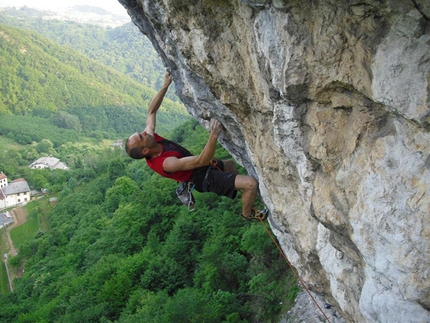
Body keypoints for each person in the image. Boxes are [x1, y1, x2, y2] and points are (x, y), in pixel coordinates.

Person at [125, 72, 268, 221]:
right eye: (142, 136)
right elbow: (201, 161)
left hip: (202, 168)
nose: (145, 132)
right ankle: (247, 214)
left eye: (141, 133)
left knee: (230, 166)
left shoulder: (151, 140)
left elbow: (151, 111)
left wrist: (165, 86)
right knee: (251, 184)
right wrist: (214, 135)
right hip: (203, 178)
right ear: (145, 150)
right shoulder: (166, 163)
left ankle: (242, 192)